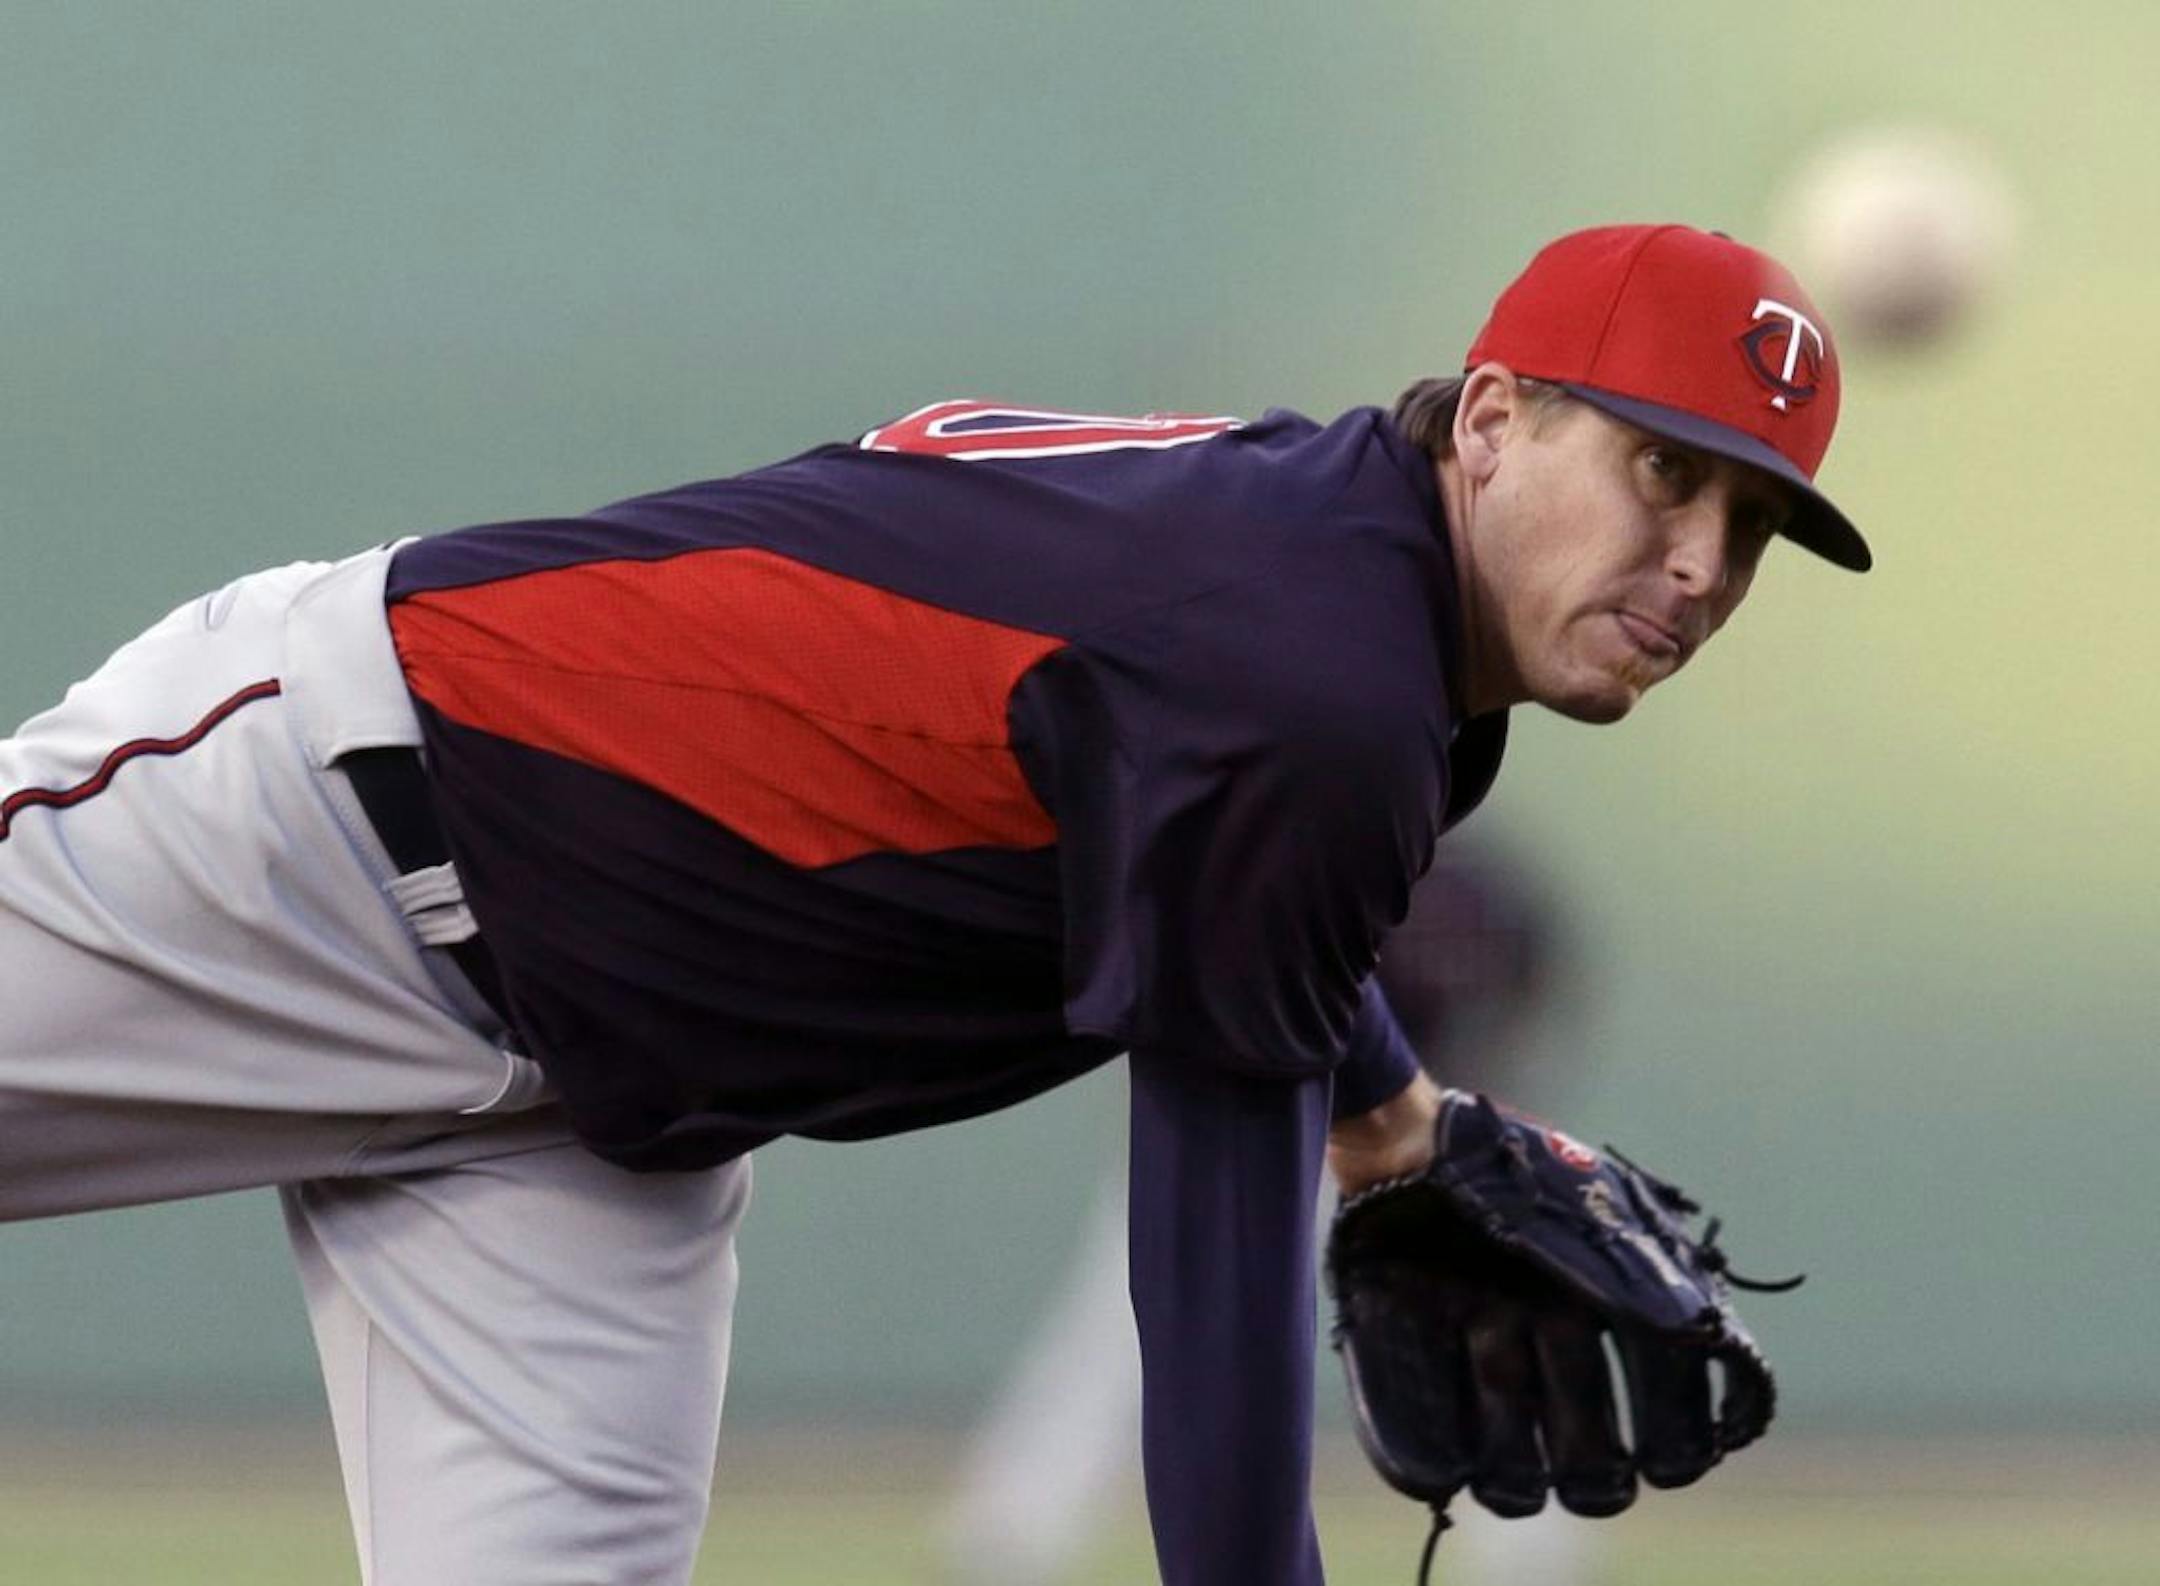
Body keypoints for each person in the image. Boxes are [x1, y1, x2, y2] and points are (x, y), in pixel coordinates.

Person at [0, 223, 1866, 1586]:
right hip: (312, 836)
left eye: (1754, 527)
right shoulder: (1323, 676)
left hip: (589, 1126)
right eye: (1661, 472)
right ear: (1495, 417)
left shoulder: (1346, 594)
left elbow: (1239, 874)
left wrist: (1395, 1126)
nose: (1698, 564)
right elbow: (1208, 1290)